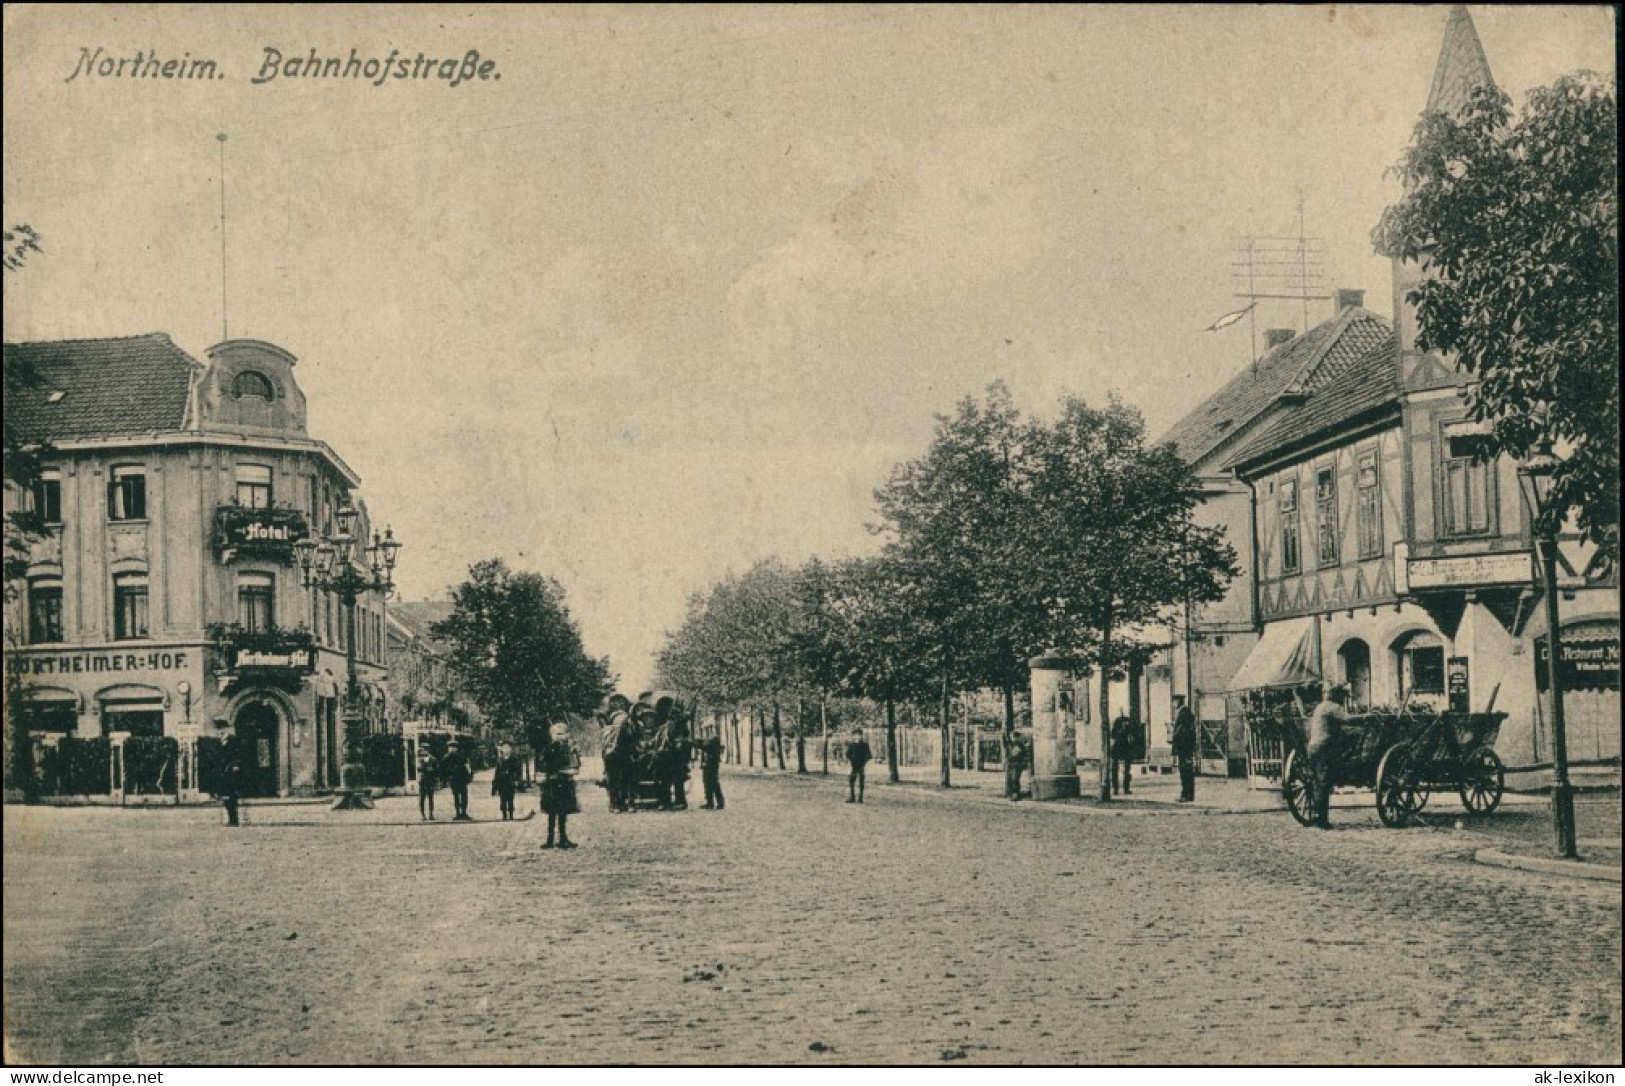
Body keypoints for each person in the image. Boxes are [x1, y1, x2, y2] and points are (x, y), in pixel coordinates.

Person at [1304, 683, 1352, 829]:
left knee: (1317, 782)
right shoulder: (1333, 707)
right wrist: (1365, 716)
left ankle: (1317, 815)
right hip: (1324, 748)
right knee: (1324, 782)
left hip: (1312, 747)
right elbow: (1347, 719)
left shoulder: (1319, 707)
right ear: (1336, 695)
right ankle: (1321, 819)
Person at [539, 721, 581, 849]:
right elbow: (547, 766)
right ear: (552, 735)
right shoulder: (548, 749)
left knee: (563, 813)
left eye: (564, 733)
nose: (561, 736)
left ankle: (563, 838)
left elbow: (576, 764)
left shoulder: (569, 749)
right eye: (558, 734)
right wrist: (562, 771)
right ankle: (550, 839)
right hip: (553, 783)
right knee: (552, 813)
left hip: (564, 783)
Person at [601, 694, 634, 812]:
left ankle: (623, 802)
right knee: (614, 779)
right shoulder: (612, 729)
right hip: (613, 753)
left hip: (625, 752)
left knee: (625, 778)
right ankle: (614, 804)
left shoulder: (630, 726)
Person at [1171, 695, 1198, 803]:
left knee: (1185, 772)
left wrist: (1176, 744)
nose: (1173, 704)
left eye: (1174, 702)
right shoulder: (1185, 712)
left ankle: (1186, 795)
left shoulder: (1183, 714)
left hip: (1184, 747)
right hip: (1186, 747)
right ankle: (1187, 795)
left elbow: (1182, 732)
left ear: (1178, 701)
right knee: (1186, 771)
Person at [442, 739, 472, 821]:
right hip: (453, 780)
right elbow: (444, 769)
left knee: (464, 796)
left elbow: (467, 767)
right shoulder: (446, 758)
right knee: (456, 797)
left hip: (462, 779)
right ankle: (458, 813)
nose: (452, 749)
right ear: (448, 748)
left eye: (454, 747)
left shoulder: (461, 756)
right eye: (450, 747)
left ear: (456, 748)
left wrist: (469, 777)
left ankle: (464, 812)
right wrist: (445, 780)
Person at [697, 725, 725, 810]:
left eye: (707, 728)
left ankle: (713, 803)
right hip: (708, 765)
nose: (706, 731)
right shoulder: (710, 738)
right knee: (710, 783)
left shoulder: (713, 738)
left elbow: (705, 745)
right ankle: (712, 802)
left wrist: (698, 742)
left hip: (711, 765)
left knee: (711, 783)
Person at [491, 743, 521, 821]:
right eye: (504, 748)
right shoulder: (499, 760)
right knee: (503, 798)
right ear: (502, 750)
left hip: (510, 781)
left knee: (510, 798)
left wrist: (517, 780)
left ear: (510, 750)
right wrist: (495, 785)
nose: (506, 750)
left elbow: (518, 771)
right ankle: (504, 814)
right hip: (502, 781)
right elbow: (496, 773)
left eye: (508, 748)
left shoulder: (514, 759)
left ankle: (511, 814)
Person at [1110, 713, 1137, 796]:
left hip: (1120, 747)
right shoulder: (1125, 722)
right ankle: (1122, 789)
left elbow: (1113, 735)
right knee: (1123, 769)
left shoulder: (1120, 722)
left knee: (1118, 769)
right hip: (1123, 747)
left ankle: (1118, 789)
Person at [219, 738, 243, 827]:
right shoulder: (228, 759)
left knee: (231, 803)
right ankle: (232, 820)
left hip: (231, 785)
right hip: (228, 783)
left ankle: (234, 820)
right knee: (228, 803)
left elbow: (234, 776)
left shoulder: (233, 761)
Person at [844, 728, 872, 803]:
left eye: (859, 735)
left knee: (861, 781)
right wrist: (849, 760)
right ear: (853, 736)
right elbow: (847, 754)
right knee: (851, 781)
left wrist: (864, 762)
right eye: (855, 735)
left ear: (861, 736)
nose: (857, 737)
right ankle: (852, 797)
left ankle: (860, 798)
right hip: (853, 765)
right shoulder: (851, 745)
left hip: (861, 765)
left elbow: (869, 755)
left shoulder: (865, 745)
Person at [417, 744, 440, 821]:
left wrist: (435, 780)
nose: (424, 751)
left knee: (430, 798)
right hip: (423, 781)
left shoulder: (433, 759)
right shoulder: (420, 759)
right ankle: (423, 815)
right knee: (422, 798)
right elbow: (418, 769)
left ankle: (431, 814)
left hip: (430, 781)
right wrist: (427, 768)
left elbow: (436, 770)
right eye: (423, 749)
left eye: (426, 749)